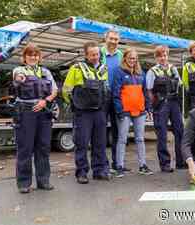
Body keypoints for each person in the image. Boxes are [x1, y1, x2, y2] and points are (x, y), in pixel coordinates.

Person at [62, 41, 110, 184]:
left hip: (99, 112)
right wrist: (74, 105)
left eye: (97, 54)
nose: (95, 57)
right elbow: (66, 90)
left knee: (100, 143)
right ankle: (81, 173)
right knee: (81, 143)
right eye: (92, 54)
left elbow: (105, 89)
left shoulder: (103, 68)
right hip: (82, 113)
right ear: (86, 55)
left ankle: (99, 171)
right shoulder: (76, 68)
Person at [12, 44, 58, 193]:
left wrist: (45, 101)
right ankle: (24, 183)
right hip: (25, 112)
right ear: (24, 57)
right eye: (30, 54)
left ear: (39, 57)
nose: (33, 57)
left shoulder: (46, 72)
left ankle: (43, 181)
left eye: (36, 54)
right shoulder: (19, 70)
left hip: (44, 111)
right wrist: (19, 79)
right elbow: (17, 78)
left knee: (43, 147)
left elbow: (55, 91)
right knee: (25, 148)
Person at [113, 48, 153, 177]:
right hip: (125, 111)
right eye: (130, 58)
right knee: (122, 139)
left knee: (140, 139)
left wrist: (148, 108)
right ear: (125, 58)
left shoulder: (141, 73)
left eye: (135, 58)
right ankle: (119, 166)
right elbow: (116, 93)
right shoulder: (119, 72)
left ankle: (142, 165)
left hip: (139, 111)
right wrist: (119, 110)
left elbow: (145, 92)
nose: (132, 60)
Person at [146, 45, 185, 172]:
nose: (163, 58)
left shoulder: (173, 69)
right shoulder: (152, 72)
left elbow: (179, 84)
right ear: (156, 57)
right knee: (162, 134)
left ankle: (181, 161)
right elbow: (149, 91)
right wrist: (152, 107)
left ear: (167, 56)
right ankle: (165, 164)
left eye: (165, 55)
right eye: (160, 56)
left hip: (174, 103)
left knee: (180, 131)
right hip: (160, 104)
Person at [99, 29, 129, 173]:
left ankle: (117, 163)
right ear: (105, 38)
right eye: (111, 38)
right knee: (100, 130)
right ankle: (102, 164)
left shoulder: (122, 55)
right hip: (102, 96)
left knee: (118, 131)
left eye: (116, 39)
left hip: (118, 97)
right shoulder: (98, 53)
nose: (113, 41)